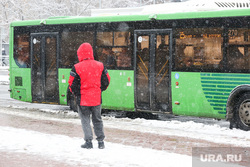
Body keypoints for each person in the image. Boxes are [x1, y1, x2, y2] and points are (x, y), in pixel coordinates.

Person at [68, 43, 110, 149]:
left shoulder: (76, 67)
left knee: (85, 119)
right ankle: (101, 142)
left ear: (80, 54)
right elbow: (107, 80)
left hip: (83, 100)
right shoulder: (100, 65)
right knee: (97, 119)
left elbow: (72, 84)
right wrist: (99, 90)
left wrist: (77, 93)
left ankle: (88, 142)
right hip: (96, 98)